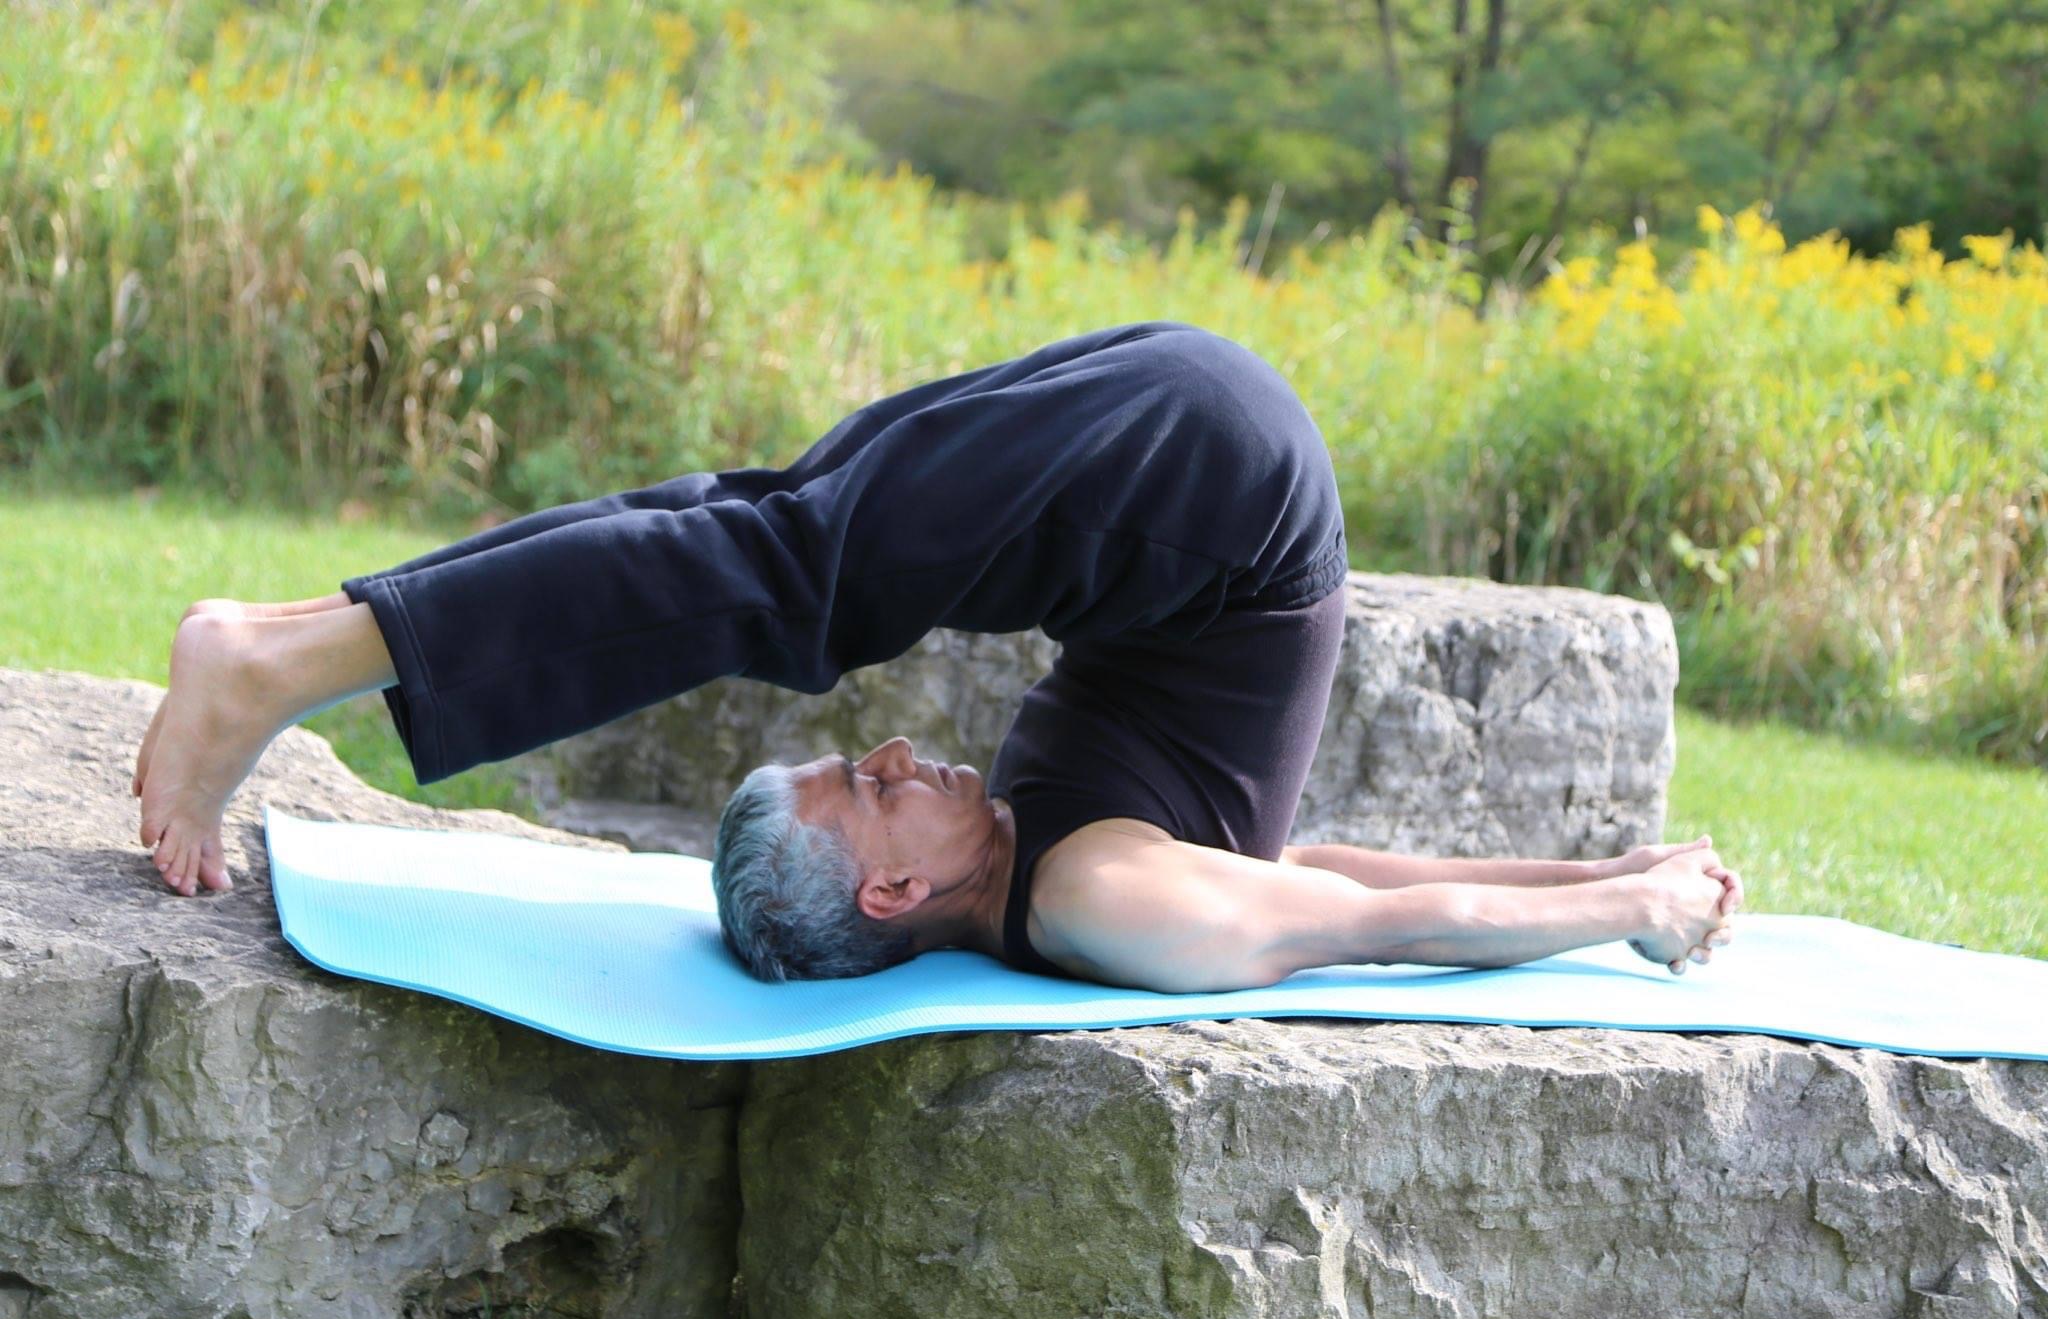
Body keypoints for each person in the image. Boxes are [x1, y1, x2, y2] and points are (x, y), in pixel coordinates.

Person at [132, 320, 1743, 991]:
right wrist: (1625, 899)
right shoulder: (1098, 897)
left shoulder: (1072, 867)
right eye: (864, 787)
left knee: (759, 528)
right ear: (893, 895)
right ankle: (277, 657)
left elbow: (1324, 871)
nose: (891, 747)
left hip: (1186, 475)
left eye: (858, 763)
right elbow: (1369, 911)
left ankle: (289, 646)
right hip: (1201, 480)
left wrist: (1607, 883)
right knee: (783, 565)